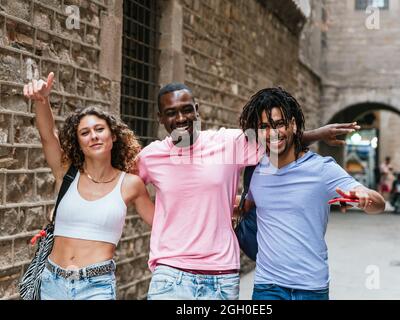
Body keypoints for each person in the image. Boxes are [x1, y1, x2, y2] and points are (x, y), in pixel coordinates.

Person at [137, 83, 360, 300]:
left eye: (187, 109)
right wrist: (161, 222)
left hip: (221, 273)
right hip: (170, 272)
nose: (181, 118)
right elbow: (127, 186)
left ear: (197, 108)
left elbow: (275, 138)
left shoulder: (227, 143)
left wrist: (317, 135)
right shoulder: (151, 156)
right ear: (160, 118)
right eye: (171, 113)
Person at [238, 87, 385, 300]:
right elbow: (250, 205)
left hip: (311, 287)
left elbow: (379, 204)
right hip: (267, 286)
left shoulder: (322, 170)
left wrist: (365, 197)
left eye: (279, 124)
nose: (272, 133)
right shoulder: (255, 170)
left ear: (294, 125)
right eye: (264, 127)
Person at [23, 72, 155, 300]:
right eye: (85, 133)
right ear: (79, 143)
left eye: (99, 129)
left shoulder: (130, 184)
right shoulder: (66, 173)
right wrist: (41, 101)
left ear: (113, 136)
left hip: (96, 287)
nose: (93, 136)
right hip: (52, 283)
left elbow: (162, 223)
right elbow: (48, 136)